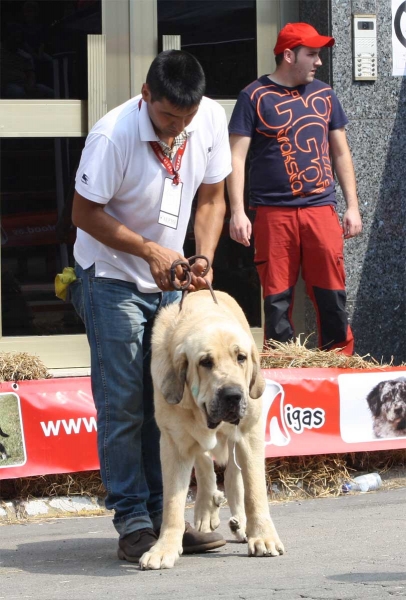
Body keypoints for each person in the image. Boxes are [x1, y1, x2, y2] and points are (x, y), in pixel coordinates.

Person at [70, 50, 231, 562]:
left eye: (186, 118)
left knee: (169, 400)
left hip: (173, 280)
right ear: (146, 96)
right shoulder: (112, 134)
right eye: (167, 118)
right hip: (112, 277)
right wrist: (147, 249)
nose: (177, 129)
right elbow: (82, 213)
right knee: (124, 404)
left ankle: (171, 522)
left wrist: (201, 257)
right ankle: (133, 521)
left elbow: (212, 197)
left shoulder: (208, 118)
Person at [227, 22, 362, 355]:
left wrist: (353, 206)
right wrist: (237, 212)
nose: (318, 62)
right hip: (272, 213)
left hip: (321, 209)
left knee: (332, 294)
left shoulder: (326, 95)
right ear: (288, 55)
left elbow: (341, 151)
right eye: (311, 54)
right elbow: (236, 156)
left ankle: (338, 362)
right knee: (276, 299)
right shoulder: (253, 96)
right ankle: (281, 366)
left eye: (319, 55)